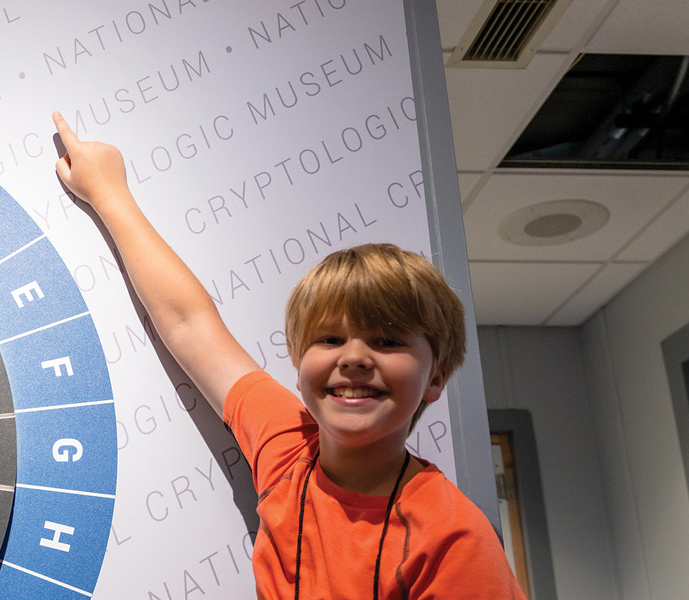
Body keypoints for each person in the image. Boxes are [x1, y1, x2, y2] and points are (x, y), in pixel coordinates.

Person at [50, 113, 525, 599]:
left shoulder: (454, 541)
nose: (355, 357)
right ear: (299, 366)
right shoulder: (288, 444)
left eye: (387, 341)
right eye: (330, 340)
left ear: (436, 378)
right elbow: (190, 323)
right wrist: (110, 193)